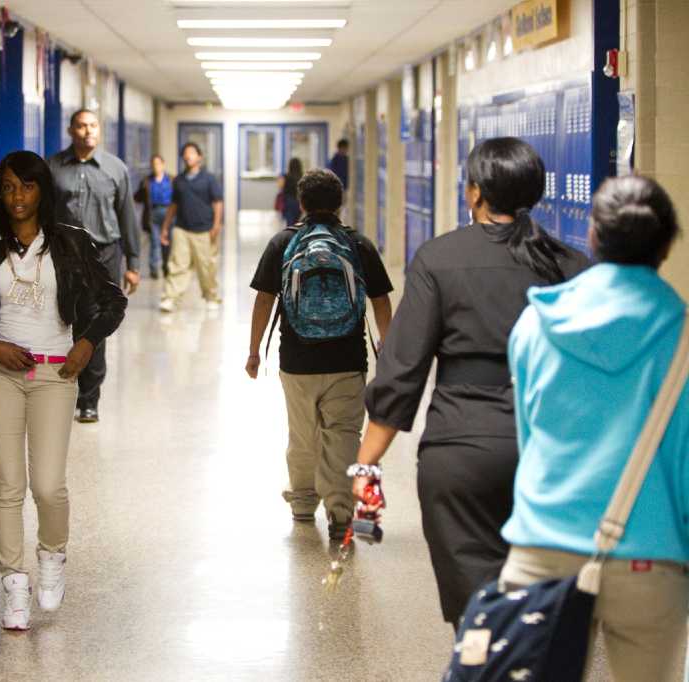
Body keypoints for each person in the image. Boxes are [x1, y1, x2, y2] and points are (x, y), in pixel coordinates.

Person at [351, 137, 588, 629]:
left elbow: (402, 371)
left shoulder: (439, 258)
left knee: (478, 615)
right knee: (542, 612)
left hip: (460, 452)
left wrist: (366, 464)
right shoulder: (571, 265)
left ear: (474, 193)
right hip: (551, 453)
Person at [501, 175, 688, 682]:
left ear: (593, 236)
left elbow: (530, 438)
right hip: (650, 559)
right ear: (668, 244)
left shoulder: (536, 324)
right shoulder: (683, 335)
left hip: (541, 549)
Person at [0, 150, 127, 631]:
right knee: (7, 486)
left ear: (43, 191)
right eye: (8, 187)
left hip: (56, 376)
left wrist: (87, 343)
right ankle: (13, 583)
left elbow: (113, 301)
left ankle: (53, 556)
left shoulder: (71, 244)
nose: (17, 197)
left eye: (27, 187)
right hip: (0, 375)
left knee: (48, 485)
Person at [246, 168, 393, 542]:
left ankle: (302, 504)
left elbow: (264, 299)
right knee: (343, 435)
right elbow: (381, 301)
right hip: (348, 359)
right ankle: (341, 514)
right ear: (340, 203)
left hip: (297, 361)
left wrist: (253, 352)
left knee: (303, 435)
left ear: (302, 203)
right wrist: (388, 351)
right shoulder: (358, 245)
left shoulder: (282, 243)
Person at [48, 109, 139, 424]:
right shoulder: (53, 168)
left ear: (99, 131)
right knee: (61, 321)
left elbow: (127, 216)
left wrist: (133, 263)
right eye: (82, 125)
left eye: (93, 125)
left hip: (104, 256)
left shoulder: (115, 169)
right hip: (62, 255)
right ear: (71, 130)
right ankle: (59, 391)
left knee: (95, 325)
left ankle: (89, 400)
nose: (88, 131)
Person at [159, 142, 224, 313]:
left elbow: (218, 202)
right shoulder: (179, 180)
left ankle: (211, 297)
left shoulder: (209, 179)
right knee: (177, 265)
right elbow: (173, 205)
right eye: (185, 154)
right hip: (182, 228)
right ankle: (170, 299)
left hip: (204, 229)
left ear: (199, 157)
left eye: (191, 153)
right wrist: (165, 227)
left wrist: (217, 225)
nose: (187, 156)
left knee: (206, 267)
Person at [133, 154, 172, 279]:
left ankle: (166, 265)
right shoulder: (147, 181)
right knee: (155, 241)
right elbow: (137, 198)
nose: (156, 167)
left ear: (163, 165)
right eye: (154, 164)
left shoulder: (171, 180)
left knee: (166, 242)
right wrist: (142, 191)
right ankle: (154, 268)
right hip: (152, 213)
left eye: (159, 164)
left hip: (168, 213)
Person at [277, 157, 303, 226]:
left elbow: (280, 186)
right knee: (297, 222)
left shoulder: (286, 176)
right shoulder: (302, 177)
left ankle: (290, 235)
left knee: (289, 222)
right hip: (299, 202)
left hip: (288, 201)